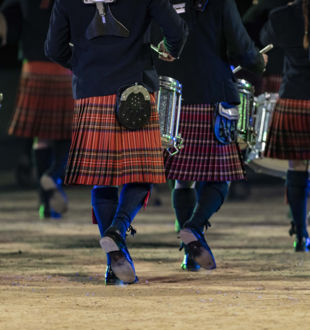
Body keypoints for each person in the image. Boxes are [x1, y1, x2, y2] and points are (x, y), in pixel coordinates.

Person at [45, 0, 188, 284]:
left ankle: (114, 262)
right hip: (134, 91)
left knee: (103, 179)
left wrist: (85, 63)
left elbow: (53, 49)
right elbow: (177, 31)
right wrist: (170, 51)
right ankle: (118, 230)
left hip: (91, 91)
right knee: (141, 173)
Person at [153, 0, 267, 271]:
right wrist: (258, 61)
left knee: (182, 181)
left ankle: (188, 255)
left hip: (175, 99)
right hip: (213, 94)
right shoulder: (221, 2)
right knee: (221, 179)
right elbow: (242, 47)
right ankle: (193, 228)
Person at [0, 0, 74, 219]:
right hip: (62, 65)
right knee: (71, 132)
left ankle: (45, 203)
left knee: (41, 138)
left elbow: (8, 27)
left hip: (33, 66)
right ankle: (53, 175)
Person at [261, 0, 310, 252]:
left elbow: (263, 35)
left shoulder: (281, 16)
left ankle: (300, 234)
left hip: (294, 100)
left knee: (297, 167)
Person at [243, 0, 288, 94]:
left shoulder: (262, 8)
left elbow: (244, 31)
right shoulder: (293, 8)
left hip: (265, 70)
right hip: (284, 72)